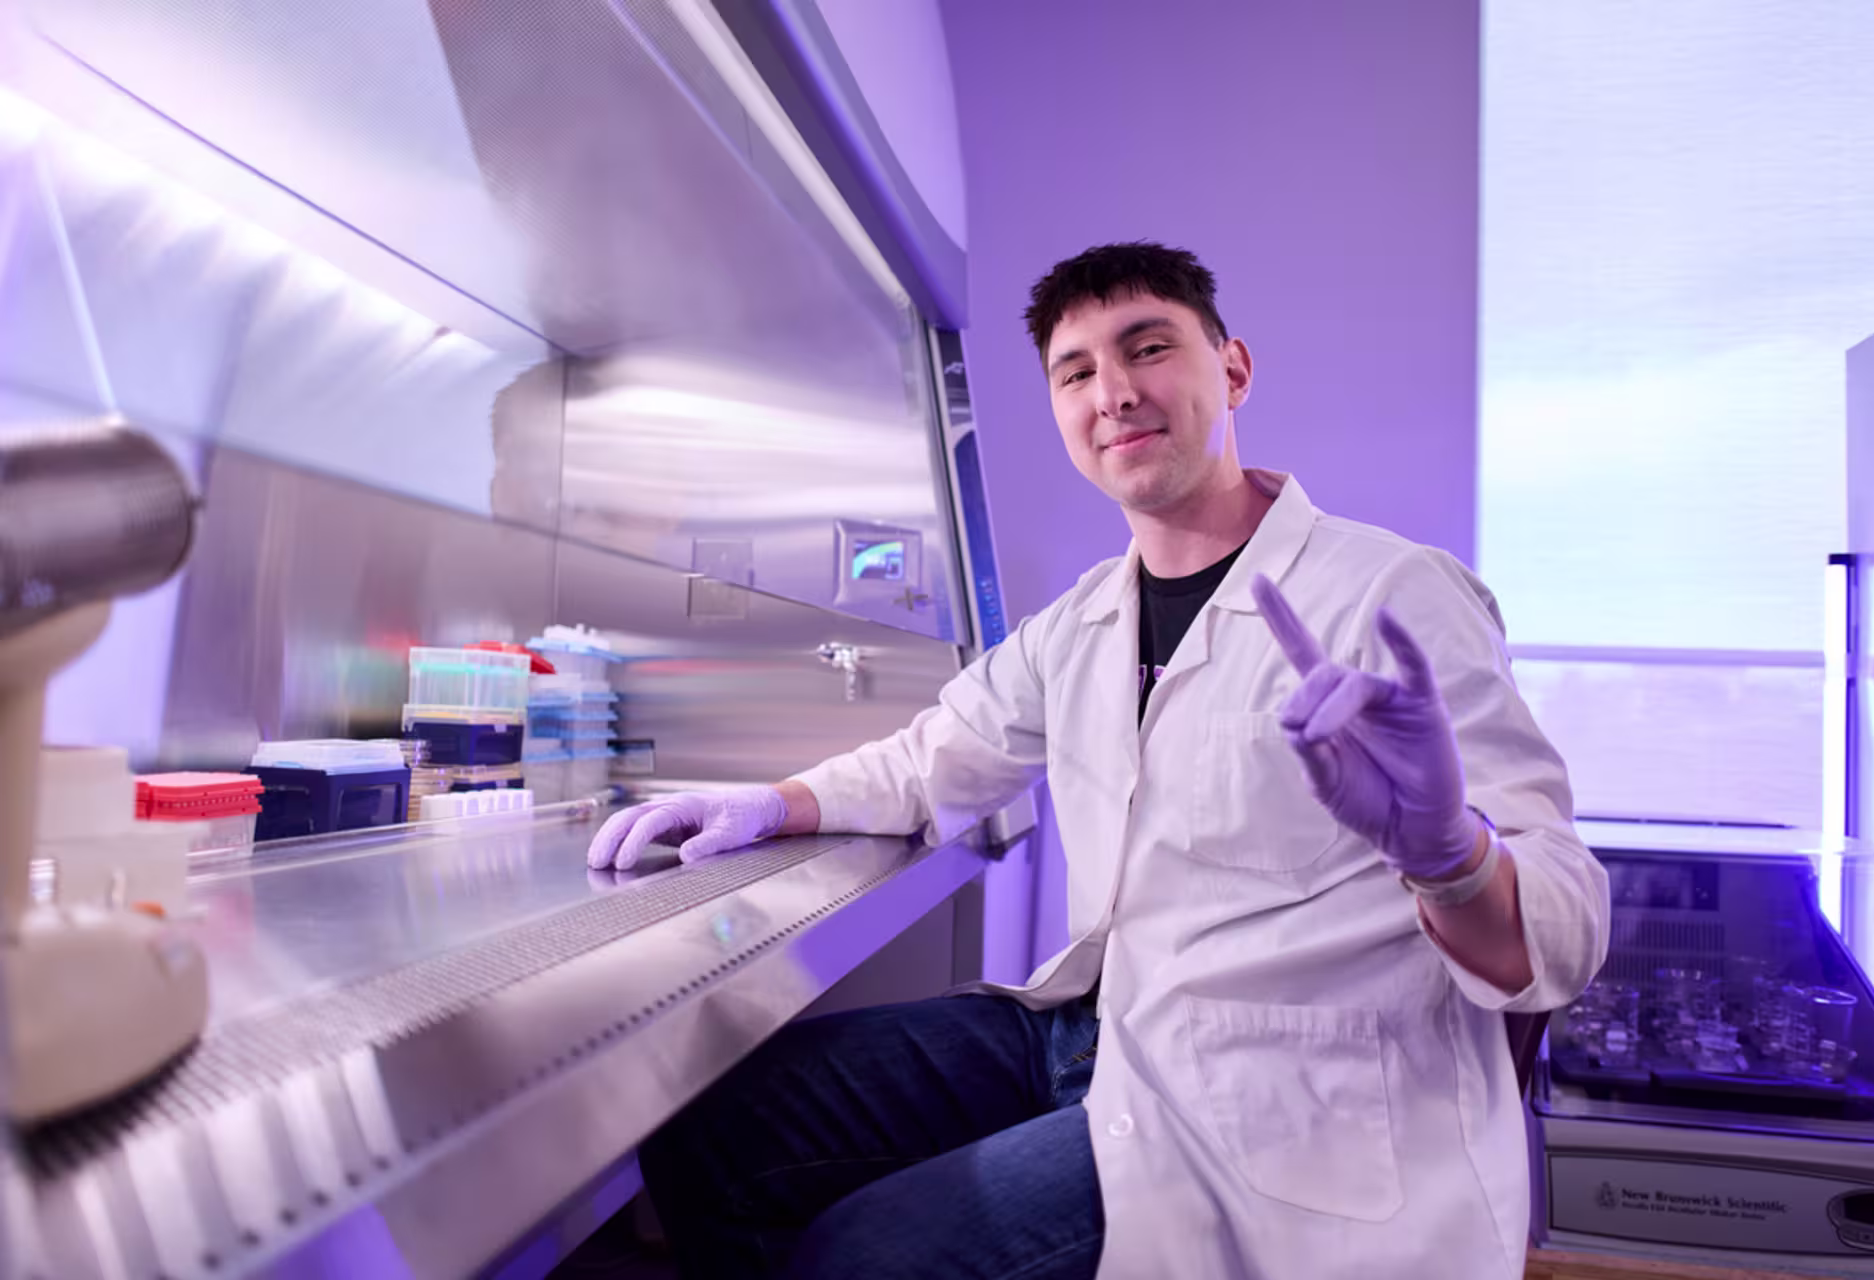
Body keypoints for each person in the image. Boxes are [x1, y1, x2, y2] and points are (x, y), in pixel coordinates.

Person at [586, 242, 1609, 1280]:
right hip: (1093, 1028)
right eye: (1075, 372)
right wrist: (771, 802)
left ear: (1234, 368)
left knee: (866, 1254)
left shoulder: (1393, 595)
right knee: (707, 1128)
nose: (1113, 391)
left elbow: (1565, 932)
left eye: (1148, 346)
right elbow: (932, 758)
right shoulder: (1082, 621)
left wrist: (1447, 853)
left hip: (1279, 1096)